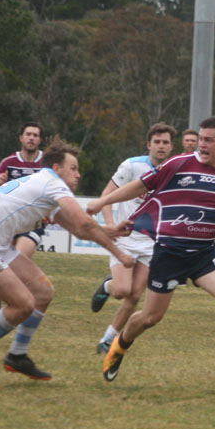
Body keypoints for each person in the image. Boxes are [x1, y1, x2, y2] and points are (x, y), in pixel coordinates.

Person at [87, 116, 215, 391]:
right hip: (169, 253)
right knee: (150, 317)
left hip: (204, 254)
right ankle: (121, 344)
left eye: (209, 140)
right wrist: (102, 201)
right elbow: (140, 186)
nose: (202, 144)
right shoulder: (178, 164)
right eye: (200, 139)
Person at [0, 139, 135, 386]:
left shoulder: (43, 185)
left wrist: (113, 231)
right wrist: (120, 254)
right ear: (56, 168)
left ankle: (17, 355)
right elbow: (84, 223)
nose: (78, 174)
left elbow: (79, 230)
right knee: (23, 305)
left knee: (43, 292)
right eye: (73, 168)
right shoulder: (52, 183)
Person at [90, 122, 177, 354]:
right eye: (157, 142)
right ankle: (107, 286)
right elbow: (107, 195)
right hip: (125, 238)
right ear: (149, 144)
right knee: (122, 290)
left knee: (135, 296)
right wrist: (111, 226)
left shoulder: (175, 171)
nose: (161, 146)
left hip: (151, 243)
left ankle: (107, 340)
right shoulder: (132, 166)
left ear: (171, 147)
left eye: (165, 143)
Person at [0, 122, 46, 318]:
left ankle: (15, 302)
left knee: (18, 259)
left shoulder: (46, 163)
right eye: (28, 134)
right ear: (21, 138)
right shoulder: (9, 162)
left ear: (40, 140)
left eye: (35, 135)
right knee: (1, 262)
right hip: (9, 221)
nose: (31, 138)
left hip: (33, 223)